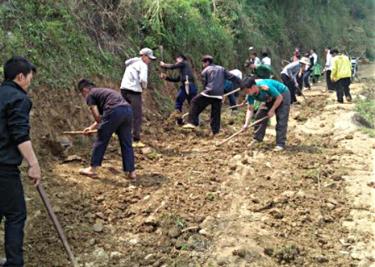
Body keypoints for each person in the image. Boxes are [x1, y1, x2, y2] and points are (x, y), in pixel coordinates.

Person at [0, 56, 41, 266]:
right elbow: (19, 135)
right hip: (4, 169)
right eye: (29, 78)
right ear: (20, 76)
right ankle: (14, 263)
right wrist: (33, 163)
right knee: (16, 215)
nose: (29, 83)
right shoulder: (18, 99)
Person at [78, 79, 136, 179]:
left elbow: (97, 116)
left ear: (84, 90)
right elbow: (103, 117)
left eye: (82, 93)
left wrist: (100, 129)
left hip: (114, 111)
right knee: (126, 142)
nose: (84, 96)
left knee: (101, 139)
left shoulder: (90, 95)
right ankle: (131, 172)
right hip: (127, 110)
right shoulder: (102, 92)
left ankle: (92, 169)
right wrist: (90, 128)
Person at [183, 55, 241, 134]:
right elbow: (232, 77)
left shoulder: (205, 70)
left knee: (194, 102)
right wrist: (243, 83)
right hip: (219, 95)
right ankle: (215, 131)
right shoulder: (221, 68)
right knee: (216, 113)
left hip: (209, 92)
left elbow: (205, 84)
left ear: (207, 62)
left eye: (203, 63)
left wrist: (205, 93)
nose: (203, 65)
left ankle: (192, 122)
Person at [241, 77, 291, 151]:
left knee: (281, 118)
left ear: (253, 87)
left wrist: (272, 110)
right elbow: (250, 109)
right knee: (260, 115)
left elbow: (279, 97)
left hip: (282, 94)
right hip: (269, 99)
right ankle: (257, 139)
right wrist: (246, 124)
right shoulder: (250, 95)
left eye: (247, 91)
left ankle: (280, 144)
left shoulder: (266, 86)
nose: (246, 93)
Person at [120, 48, 156, 147]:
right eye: (149, 58)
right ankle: (136, 139)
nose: (149, 61)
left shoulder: (131, 63)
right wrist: (144, 87)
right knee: (137, 116)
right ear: (144, 56)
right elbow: (143, 79)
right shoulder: (143, 65)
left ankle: (119, 134)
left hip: (123, 89)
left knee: (124, 112)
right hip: (134, 92)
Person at [159, 54, 197, 125]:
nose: (176, 61)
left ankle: (194, 122)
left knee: (192, 103)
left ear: (181, 58)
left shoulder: (184, 63)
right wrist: (166, 77)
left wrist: (164, 65)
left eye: (177, 59)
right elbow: (177, 79)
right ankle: (179, 120)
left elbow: (173, 66)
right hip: (185, 85)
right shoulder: (184, 70)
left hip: (190, 85)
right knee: (179, 101)